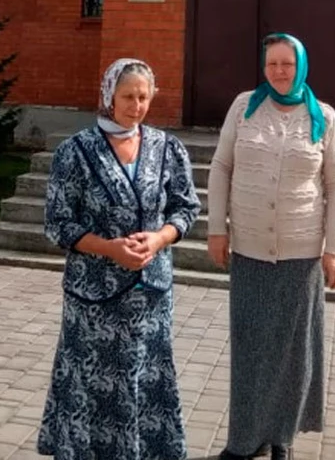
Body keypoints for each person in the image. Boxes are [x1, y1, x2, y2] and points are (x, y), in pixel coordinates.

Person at [37, 57, 201, 460]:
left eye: (144, 96)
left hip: (151, 298)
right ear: (109, 95)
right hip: (94, 301)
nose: (136, 105)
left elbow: (187, 208)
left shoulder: (168, 148)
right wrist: (109, 247)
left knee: (147, 380)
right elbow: (57, 223)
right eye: (128, 96)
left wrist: (160, 239)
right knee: (92, 386)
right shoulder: (74, 152)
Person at [207, 33, 335, 460]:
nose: (279, 72)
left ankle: (281, 439)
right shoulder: (244, 107)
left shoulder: (323, 116)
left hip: (300, 253)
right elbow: (221, 166)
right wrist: (217, 228)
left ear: (301, 65)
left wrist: (334, 248)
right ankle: (244, 440)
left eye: (287, 63)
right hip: (249, 249)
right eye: (272, 64)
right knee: (250, 348)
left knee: (292, 352)